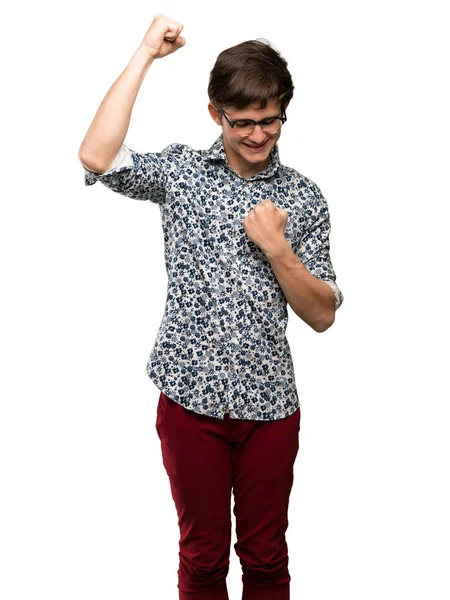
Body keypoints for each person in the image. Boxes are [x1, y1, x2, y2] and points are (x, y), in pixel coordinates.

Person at [79, 13, 344, 600]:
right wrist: (146, 53)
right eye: (243, 122)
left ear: (284, 113)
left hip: (269, 407)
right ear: (215, 114)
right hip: (188, 401)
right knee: (202, 560)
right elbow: (97, 156)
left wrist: (278, 250)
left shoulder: (302, 196)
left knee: (267, 558)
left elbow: (323, 313)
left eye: (270, 121)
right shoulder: (181, 173)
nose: (257, 135)